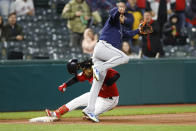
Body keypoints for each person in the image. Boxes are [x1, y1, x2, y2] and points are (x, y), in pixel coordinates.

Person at [82, 5, 141, 122]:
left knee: (97, 84)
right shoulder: (113, 21)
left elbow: (128, 34)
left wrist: (138, 30)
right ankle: (99, 68)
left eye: (123, 15)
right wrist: (118, 12)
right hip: (103, 47)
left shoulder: (119, 28)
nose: (123, 17)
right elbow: (113, 15)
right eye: (122, 16)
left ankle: (89, 109)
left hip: (100, 54)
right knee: (124, 57)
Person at [45, 59, 120, 121]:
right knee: (77, 100)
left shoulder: (101, 70)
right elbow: (76, 79)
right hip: (97, 95)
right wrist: (65, 85)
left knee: (92, 114)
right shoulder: (87, 74)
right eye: (83, 70)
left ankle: (92, 115)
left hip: (110, 100)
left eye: (86, 69)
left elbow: (117, 75)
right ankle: (56, 113)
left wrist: (107, 83)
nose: (84, 71)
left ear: (91, 67)